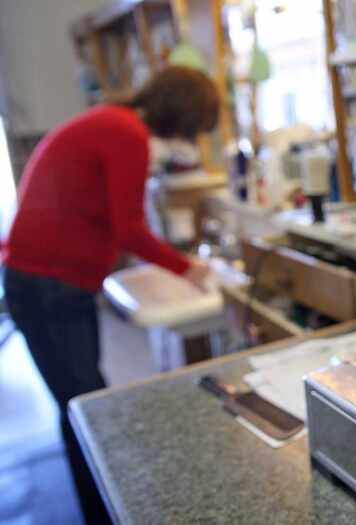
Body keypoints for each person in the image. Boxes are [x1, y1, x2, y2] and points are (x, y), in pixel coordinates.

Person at [1, 66, 218, 524]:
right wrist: (190, 269)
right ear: (181, 115)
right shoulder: (127, 134)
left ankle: (100, 508)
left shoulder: (112, 120)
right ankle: (107, 513)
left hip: (39, 280)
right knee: (87, 409)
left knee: (79, 403)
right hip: (48, 285)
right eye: (194, 129)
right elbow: (130, 229)